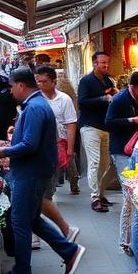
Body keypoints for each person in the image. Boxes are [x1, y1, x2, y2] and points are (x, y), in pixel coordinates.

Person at [0, 67, 86, 274]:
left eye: (12, 87)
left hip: (31, 173)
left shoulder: (34, 107)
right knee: (31, 219)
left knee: (19, 221)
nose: (11, 92)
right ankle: (69, 251)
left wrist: (4, 151)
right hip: (33, 171)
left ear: (21, 86)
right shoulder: (36, 104)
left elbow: (30, 144)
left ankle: (23, 270)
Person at [106, 70, 138, 274]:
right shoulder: (118, 99)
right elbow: (109, 122)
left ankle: (130, 240)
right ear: (133, 87)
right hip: (121, 150)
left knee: (134, 198)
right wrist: (131, 120)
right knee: (129, 196)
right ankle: (124, 241)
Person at [34, 65, 79, 244]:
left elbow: (71, 124)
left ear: (54, 82)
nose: (41, 85)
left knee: (47, 193)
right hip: (38, 151)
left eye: (44, 81)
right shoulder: (36, 99)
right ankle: (53, 231)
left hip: (56, 149)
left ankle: (58, 230)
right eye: (38, 81)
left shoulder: (64, 99)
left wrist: (69, 149)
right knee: (41, 195)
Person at [77, 51, 117, 213]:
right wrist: (103, 98)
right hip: (90, 127)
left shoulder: (108, 80)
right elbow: (82, 102)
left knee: (104, 164)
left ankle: (101, 194)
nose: (106, 66)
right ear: (95, 63)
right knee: (95, 162)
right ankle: (94, 198)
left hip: (105, 127)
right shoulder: (86, 81)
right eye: (102, 63)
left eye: (107, 63)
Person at [52, 63, 81, 194]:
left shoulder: (62, 96)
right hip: (65, 130)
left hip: (61, 131)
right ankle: (73, 182)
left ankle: (59, 180)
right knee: (68, 156)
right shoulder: (68, 91)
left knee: (62, 156)